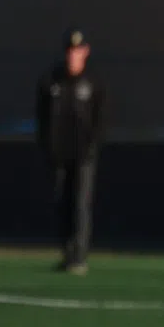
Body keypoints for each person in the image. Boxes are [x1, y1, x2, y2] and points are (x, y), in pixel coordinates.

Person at [35, 28, 105, 275]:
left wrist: (92, 147)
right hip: (59, 154)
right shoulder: (52, 81)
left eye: (77, 51)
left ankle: (79, 255)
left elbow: (100, 119)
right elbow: (42, 117)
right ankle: (66, 252)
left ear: (85, 52)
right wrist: (47, 146)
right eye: (69, 51)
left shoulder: (93, 82)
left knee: (80, 204)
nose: (72, 56)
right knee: (62, 203)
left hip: (84, 154)